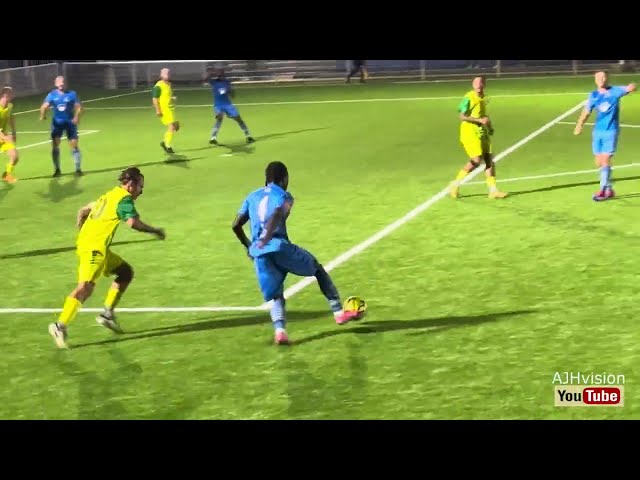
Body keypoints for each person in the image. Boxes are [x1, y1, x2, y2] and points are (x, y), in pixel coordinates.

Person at [232, 161, 359, 345]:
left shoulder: (251, 196)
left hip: (259, 253)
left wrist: (249, 247)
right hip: (280, 247)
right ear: (284, 179)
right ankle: (339, 313)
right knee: (317, 269)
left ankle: (280, 332)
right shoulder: (285, 196)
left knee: (276, 293)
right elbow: (279, 213)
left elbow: (236, 225)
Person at [48, 167, 166, 349]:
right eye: (140, 186)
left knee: (125, 272)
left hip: (95, 247)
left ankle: (107, 314)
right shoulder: (123, 200)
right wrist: (155, 231)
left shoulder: (110, 194)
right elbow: (133, 223)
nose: (141, 191)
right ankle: (59, 326)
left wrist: (84, 232)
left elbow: (83, 210)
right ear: (131, 184)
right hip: (94, 249)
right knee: (85, 287)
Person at [574, 71, 636, 201]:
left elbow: (629, 88)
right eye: (598, 77)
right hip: (598, 131)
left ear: (607, 79)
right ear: (595, 80)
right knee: (598, 162)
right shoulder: (594, 95)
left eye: (603, 77)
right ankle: (608, 189)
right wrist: (579, 125)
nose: (601, 79)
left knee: (605, 159)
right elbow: (586, 111)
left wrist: (632, 87)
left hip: (611, 131)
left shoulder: (615, 91)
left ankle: (602, 190)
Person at [449, 76, 507, 199]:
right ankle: (455, 184)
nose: (478, 84)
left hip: (481, 132)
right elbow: (462, 116)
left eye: (480, 82)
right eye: (475, 82)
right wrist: (479, 120)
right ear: (472, 84)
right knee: (476, 160)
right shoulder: (468, 97)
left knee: (489, 160)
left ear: (484, 84)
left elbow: (484, 116)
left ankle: (493, 190)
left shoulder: (484, 98)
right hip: (469, 131)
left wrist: (489, 127)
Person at [39, 76, 83, 177]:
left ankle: (78, 169)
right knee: (55, 145)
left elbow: (78, 107)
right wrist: (43, 115)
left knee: (74, 144)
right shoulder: (52, 95)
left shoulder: (72, 94)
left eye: (63, 82)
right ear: (55, 84)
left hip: (70, 123)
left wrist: (76, 117)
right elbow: (44, 106)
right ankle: (57, 169)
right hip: (57, 124)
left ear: (65, 83)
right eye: (59, 82)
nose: (61, 84)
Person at [203, 66, 255, 145]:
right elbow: (205, 80)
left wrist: (228, 92)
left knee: (238, 119)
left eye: (221, 73)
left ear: (223, 74)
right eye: (218, 73)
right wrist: (210, 73)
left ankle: (248, 136)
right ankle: (213, 138)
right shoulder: (214, 82)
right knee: (219, 118)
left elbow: (233, 95)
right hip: (218, 105)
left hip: (228, 104)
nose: (219, 75)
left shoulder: (227, 82)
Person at [153, 68, 180, 154]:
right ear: (161, 75)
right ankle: (167, 146)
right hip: (164, 110)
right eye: (165, 73)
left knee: (176, 127)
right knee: (172, 127)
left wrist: (172, 98)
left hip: (170, 109)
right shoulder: (158, 86)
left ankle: (165, 143)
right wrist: (158, 110)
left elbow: (166, 96)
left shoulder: (168, 84)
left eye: (168, 73)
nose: (167, 75)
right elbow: (155, 99)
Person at [0, 86, 19, 184]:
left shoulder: (10, 106)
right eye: (10, 93)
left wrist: (14, 132)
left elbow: (11, 118)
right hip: (1, 135)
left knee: (15, 157)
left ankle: (6, 175)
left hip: (3, 135)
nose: (12, 95)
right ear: (4, 94)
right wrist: (5, 138)